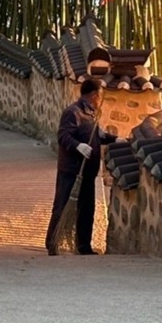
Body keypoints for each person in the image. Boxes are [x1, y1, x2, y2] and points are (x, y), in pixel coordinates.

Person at [44, 77, 118, 256]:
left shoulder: (92, 114)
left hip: (88, 172)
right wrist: (78, 146)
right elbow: (63, 136)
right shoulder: (73, 112)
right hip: (71, 169)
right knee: (62, 205)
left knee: (87, 209)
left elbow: (98, 135)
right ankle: (52, 242)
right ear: (94, 95)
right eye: (100, 95)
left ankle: (83, 245)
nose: (100, 98)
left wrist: (117, 140)